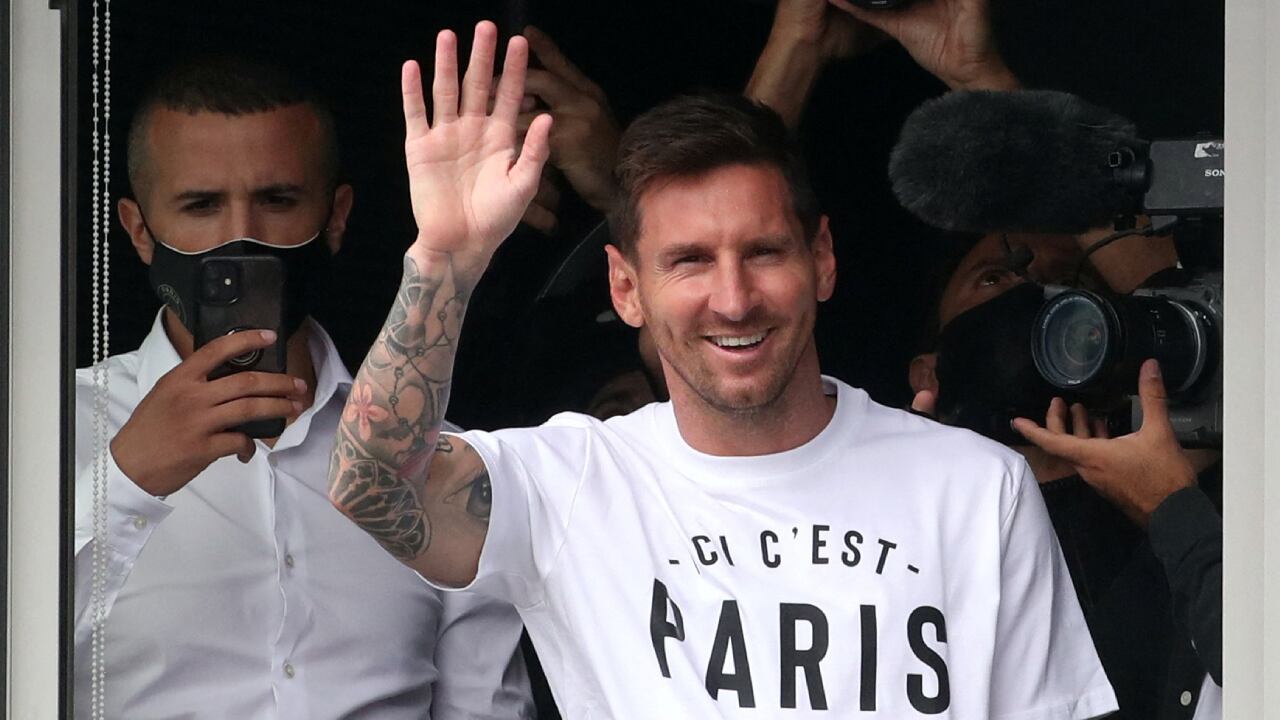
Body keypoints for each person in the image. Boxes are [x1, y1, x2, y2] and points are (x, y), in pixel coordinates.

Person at [328, 22, 1117, 718]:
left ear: (823, 259)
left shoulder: (977, 487)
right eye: (691, 261)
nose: (733, 299)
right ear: (626, 288)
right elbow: (370, 488)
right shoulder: (573, 480)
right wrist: (447, 259)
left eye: (764, 252)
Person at [73, 56, 532, 719]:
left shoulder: (431, 456)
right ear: (140, 230)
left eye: (278, 200)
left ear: (337, 215)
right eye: (201, 205)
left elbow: (485, 704)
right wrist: (128, 480)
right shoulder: (57, 428)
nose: (243, 236)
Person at [907, 229, 1223, 720]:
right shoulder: (903, 537)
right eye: (993, 278)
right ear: (928, 375)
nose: (1034, 298)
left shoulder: (1208, 506)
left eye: (1068, 284)